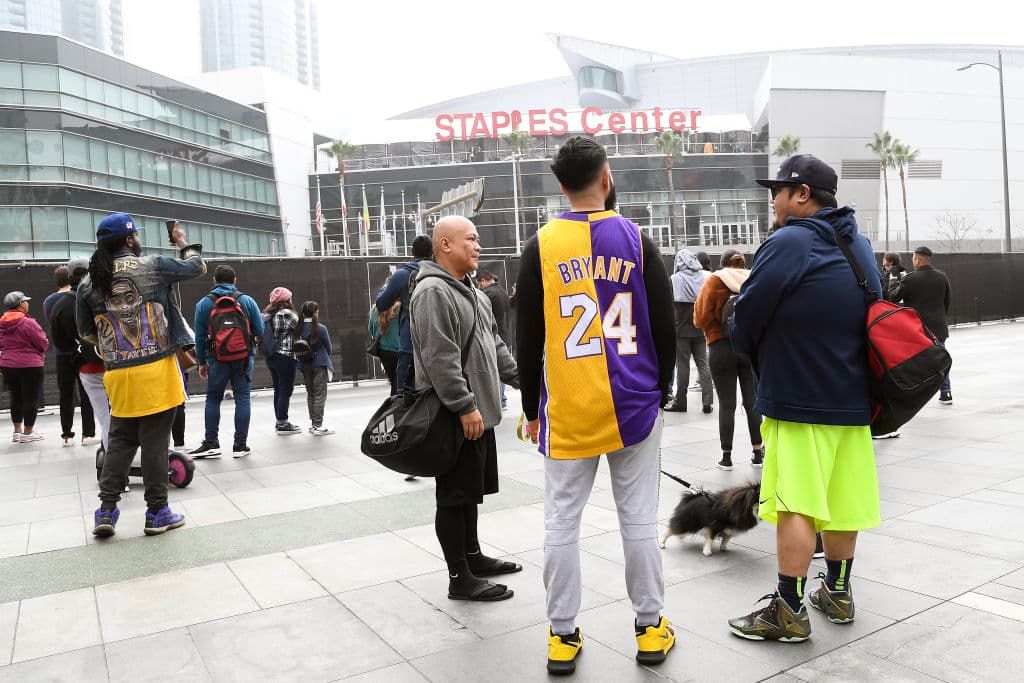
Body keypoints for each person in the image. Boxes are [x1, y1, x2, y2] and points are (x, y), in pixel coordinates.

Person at [515, 136, 676, 675]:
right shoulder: (635, 238)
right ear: (606, 177)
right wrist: (664, 389)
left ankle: (562, 635)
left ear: (562, 186)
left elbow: (527, 333)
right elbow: (662, 322)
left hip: (567, 404)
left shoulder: (539, 245)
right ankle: (650, 627)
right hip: (633, 403)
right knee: (637, 521)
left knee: (560, 522)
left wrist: (531, 406)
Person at [727, 154, 882, 642]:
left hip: (799, 394)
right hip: (852, 398)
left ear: (801, 195)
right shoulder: (858, 243)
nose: (772, 200)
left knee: (796, 502)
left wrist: (747, 345)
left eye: (778, 190)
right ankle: (837, 593)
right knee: (841, 500)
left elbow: (748, 314)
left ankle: (788, 609)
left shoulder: (791, 241)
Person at [410, 216, 521, 606]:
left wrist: (523, 381)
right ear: (444, 246)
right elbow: (439, 358)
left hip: (477, 414)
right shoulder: (432, 292)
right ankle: (459, 577)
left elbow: (495, 344)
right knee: (454, 496)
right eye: (470, 239)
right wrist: (463, 405)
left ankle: (473, 557)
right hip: (454, 416)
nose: (478, 246)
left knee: (469, 492)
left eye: (478, 239)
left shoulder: (469, 289)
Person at [77, 213, 204, 538]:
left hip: (118, 375)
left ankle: (106, 510)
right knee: (155, 444)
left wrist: (114, 347)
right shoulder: (153, 264)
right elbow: (196, 267)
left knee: (120, 441)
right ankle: (157, 512)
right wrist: (181, 242)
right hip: (157, 371)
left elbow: (86, 332)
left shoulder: (88, 283)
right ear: (130, 239)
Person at [693, 250, 763, 470]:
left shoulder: (715, 280)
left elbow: (700, 319)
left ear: (722, 264)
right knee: (752, 401)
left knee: (727, 403)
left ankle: (727, 457)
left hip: (720, 347)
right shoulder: (755, 279)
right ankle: (757, 453)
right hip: (749, 348)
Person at [190, 265, 264, 458]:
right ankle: (240, 445)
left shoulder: (203, 305)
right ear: (235, 280)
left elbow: (199, 338)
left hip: (216, 359)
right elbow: (260, 329)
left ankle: (211, 442)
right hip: (243, 358)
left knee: (214, 398)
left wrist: (202, 362)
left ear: (214, 281)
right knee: (242, 398)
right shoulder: (246, 301)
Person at [888, 246, 952, 404]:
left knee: (913, 363)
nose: (913, 261)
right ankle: (946, 392)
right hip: (939, 327)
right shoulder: (942, 276)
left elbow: (892, 297)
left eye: (913, 259)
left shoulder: (910, 279)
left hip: (917, 329)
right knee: (940, 360)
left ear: (918, 260)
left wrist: (893, 280)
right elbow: (947, 302)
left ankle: (913, 396)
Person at [47, 264, 99, 447]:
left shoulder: (53, 303)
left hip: (63, 355)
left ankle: (67, 435)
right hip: (85, 354)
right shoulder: (88, 299)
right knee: (87, 393)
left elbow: (54, 329)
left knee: (65, 395)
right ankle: (88, 434)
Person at [376, 234, 433, 393]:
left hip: (410, 342)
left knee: (404, 394)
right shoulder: (441, 272)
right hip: (437, 342)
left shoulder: (402, 275)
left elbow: (381, 304)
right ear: (432, 252)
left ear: (412, 252)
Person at [67, 258, 110, 452]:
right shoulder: (105, 293)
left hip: (83, 364)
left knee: (103, 415)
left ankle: (112, 457)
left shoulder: (57, 303)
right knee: (120, 414)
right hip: (112, 363)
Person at [665, 248, 713, 414]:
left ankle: (681, 401)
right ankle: (708, 402)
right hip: (700, 327)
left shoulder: (675, 279)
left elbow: (669, 305)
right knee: (703, 364)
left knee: (683, 366)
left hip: (681, 329)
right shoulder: (706, 277)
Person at [0, 291, 48, 443]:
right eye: (26, 301)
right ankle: (28, 433)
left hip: (7, 365)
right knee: (31, 399)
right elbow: (43, 343)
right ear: (21, 305)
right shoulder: (28, 323)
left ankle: (17, 432)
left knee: (16, 397)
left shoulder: (1, 323)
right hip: (30, 365)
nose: (28, 303)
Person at [262, 287, 302, 434]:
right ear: (286, 300)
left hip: (271, 356)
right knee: (286, 389)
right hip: (286, 355)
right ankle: (283, 423)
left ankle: (279, 421)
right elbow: (301, 328)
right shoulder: (287, 314)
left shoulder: (267, 315)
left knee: (278, 389)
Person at [475, 270, 512, 410]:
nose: (479, 287)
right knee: (502, 370)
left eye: (479, 284)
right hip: (506, 336)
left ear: (483, 280)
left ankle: (497, 401)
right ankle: (502, 400)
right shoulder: (503, 292)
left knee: (493, 371)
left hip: (493, 337)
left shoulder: (486, 294)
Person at [297, 300, 334, 435]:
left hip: (304, 364)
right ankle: (318, 425)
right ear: (315, 313)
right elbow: (329, 348)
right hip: (319, 363)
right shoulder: (321, 328)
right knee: (320, 394)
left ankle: (313, 424)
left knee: (311, 393)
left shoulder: (298, 328)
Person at [368, 295, 401, 395]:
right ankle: (396, 407)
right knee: (400, 382)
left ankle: (393, 405)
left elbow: (371, 330)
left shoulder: (375, 309)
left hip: (384, 352)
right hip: (400, 350)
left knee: (394, 382)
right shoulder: (400, 307)